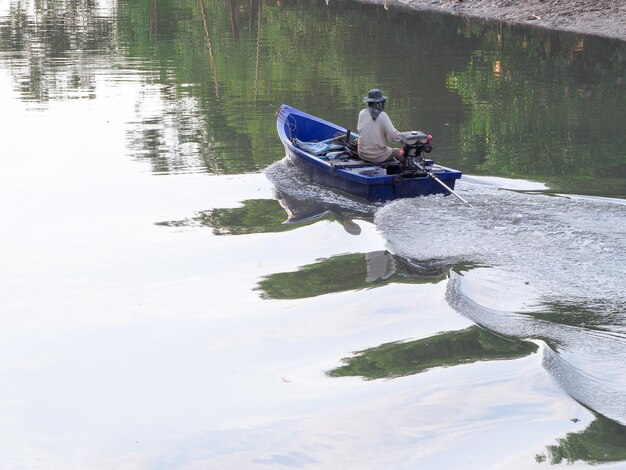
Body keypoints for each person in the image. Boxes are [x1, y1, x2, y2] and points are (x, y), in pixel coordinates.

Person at [357, 88, 404, 163]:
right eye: (382, 103)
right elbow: (394, 136)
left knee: (387, 149)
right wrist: (404, 138)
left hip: (362, 154)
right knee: (400, 152)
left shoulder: (362, 113)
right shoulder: (383, 116)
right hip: (378, 156)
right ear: (378, 104)